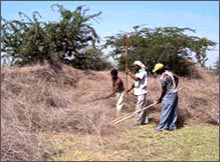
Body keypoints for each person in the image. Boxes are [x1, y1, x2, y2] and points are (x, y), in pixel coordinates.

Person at [152, 63, 179, 132]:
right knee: (173, 111)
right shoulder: (169, 73)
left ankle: (160, 128)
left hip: (169, 94)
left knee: (165, 111)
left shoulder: (162, 78)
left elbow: (164, 91)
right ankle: (172, 126)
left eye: (157, 70)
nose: (156, 72)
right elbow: (177, 78)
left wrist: (160, 99)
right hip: (175, 93)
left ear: (160, 69)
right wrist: (174, 87)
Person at [126, 61, 148, 126]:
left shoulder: (143, 72)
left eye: (136, 66)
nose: (134, 67)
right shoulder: (137, 73)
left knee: (139, 107)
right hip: (137, 92)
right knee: (142, 107)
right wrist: (129, 89)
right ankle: (144, 121)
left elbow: (136, 79)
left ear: (139, 66)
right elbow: (135, 83)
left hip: (142, 92)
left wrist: (129, 73)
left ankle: (138, 122)